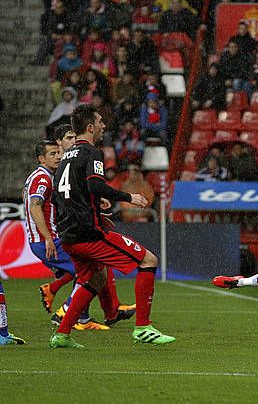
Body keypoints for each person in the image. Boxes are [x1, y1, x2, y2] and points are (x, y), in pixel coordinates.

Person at [49, 104, 175, 348]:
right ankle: (143, 328)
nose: (103, 126)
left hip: (69, 235)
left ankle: (62, 334)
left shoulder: (66, 158)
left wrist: (94, 202)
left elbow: (64, 195)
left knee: (94, 279)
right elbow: (94, 185)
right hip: (89, 233)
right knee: (149, 260)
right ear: (89, 127)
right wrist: (128, 198)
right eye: (99, 122)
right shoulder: (92, 153)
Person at [25, 139, 135, 331]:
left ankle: (79, 311)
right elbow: (35, 206)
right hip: (48, 240)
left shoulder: (46, 176)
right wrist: (48, 237)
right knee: (91, 271)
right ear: (41, 158)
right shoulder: (42, 178)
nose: (58, 156)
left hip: (52, 238)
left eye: (58, 153)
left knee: (89, 269)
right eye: (52, 154)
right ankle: (68, 314)